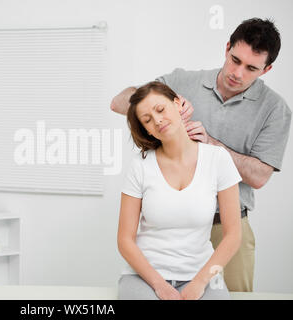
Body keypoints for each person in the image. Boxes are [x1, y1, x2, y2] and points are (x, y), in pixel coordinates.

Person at [112, 18, 292, 292]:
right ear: (227, 47)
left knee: (234, 294)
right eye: (235, 59)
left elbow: (259, 176)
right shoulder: (183, 81)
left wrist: (211, 144)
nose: (238, 73)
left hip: (226, 225)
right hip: (168, 222)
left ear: (266, 69)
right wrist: (160, 107)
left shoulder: (275, 109)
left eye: (251, 68)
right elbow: (120, 101)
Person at [117, 81, 242, 300]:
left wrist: (200, 283)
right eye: (147, 120)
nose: (157, 120)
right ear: (145, 128)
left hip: (202, 274)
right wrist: (159, 285)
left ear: (177, 103)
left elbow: (233, 235)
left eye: (160, 109)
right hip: (145, 276)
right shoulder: (140, 165)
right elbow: (124, 239)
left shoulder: (217, 158)